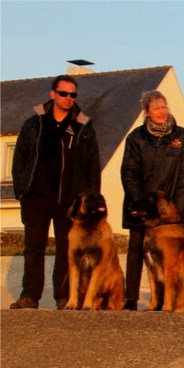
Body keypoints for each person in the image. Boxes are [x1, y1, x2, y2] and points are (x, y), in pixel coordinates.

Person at [10, 75, 101, 310]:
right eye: (64, 93)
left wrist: (91, 201)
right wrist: (21, 190)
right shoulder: (34, 123)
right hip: (36, 196)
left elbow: (92, 166)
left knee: (66, 249)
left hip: (69, 201)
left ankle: (63, 296)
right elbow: (20, 157)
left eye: (73, 95)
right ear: (53, 94)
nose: (68, 98)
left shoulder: (83, 127)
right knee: (34, 248)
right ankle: (30, 296)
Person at [120, 90, 184, 311]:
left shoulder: (181, 136)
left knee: (170, 257)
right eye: (157, 108)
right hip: (141, 206)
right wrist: (139, 203)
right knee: (136, 250)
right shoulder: (136, 138)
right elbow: (129, 173)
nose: (162, 111)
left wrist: (176, 211)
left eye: (164, 106)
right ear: (147, 112)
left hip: (168, 210)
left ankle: (169, 300)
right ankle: (131, 298)